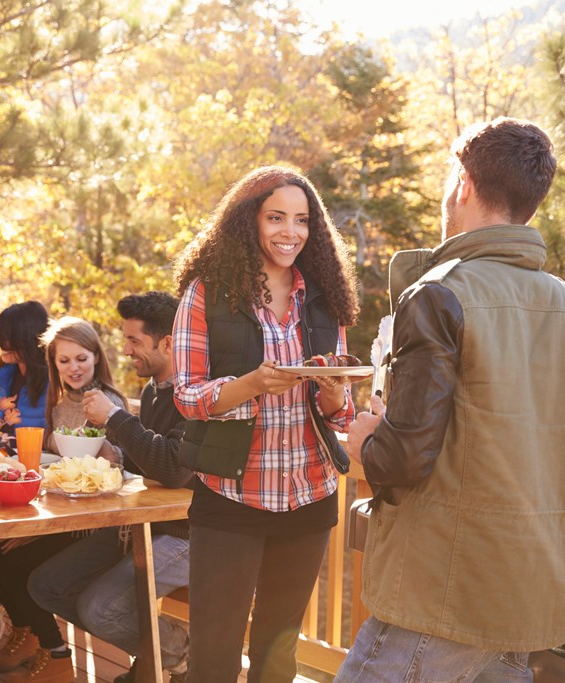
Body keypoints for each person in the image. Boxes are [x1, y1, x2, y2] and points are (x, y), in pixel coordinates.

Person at [335, 118, 565, 682]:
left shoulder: (440, 294)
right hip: (528, 592)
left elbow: (402, 459)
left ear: (463, 182)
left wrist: (367, 440)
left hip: (440, 594)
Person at [171, 165, 360, 683]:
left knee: (278, 657)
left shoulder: (325, 296)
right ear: (247, 220)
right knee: (213, 657)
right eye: (276, 217)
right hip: (231, 498)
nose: (290, 232)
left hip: (309, 495)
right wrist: (252, 384)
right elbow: (187, 397)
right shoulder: (206, 293)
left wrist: (332, 391)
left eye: (301, 221)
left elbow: (339, 413)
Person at [28, 292, 193, 683]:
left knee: (99, 608)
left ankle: (181, 653)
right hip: (137, 523)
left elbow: (172, 469)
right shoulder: (154, 390)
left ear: (167, 343)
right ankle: (165, 654)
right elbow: (144, 464)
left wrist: (116, 418)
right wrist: (110, 453)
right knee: (44, 585)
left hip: (185, 533)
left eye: (134, 340)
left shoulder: (193, 394)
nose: (125, 349)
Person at [0, 315, 127, 683]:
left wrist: (111, 451)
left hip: (94, 522)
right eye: (64, 361)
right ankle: (27, 634)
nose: (73, 367)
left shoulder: (107, 402)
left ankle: (57, 651)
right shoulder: (61, 402)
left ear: (96, 356)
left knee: (18, 565)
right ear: (54, 363)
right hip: (61, 508)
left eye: (81, 358)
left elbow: (121, 468)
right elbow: (61, 464)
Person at [0, 301, 51, 433]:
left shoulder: (52, 386)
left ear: (29, 339)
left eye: (9, 337)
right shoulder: (3, 378)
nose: (0, 343)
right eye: (0, 336)